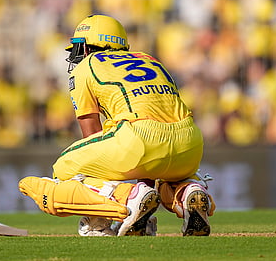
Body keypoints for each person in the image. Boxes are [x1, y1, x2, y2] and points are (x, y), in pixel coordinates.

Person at [19, 14, 215, 236]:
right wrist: (145, 202)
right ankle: (188, 191)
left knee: (63, 169)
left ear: (93, 46)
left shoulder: (86, 67)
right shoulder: (151, 60)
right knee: (160, 169)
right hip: (190, 143)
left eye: (79, 48)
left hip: (138, 140)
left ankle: (106, 217)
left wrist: (129, 198)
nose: (76, 56)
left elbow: (92, 134)